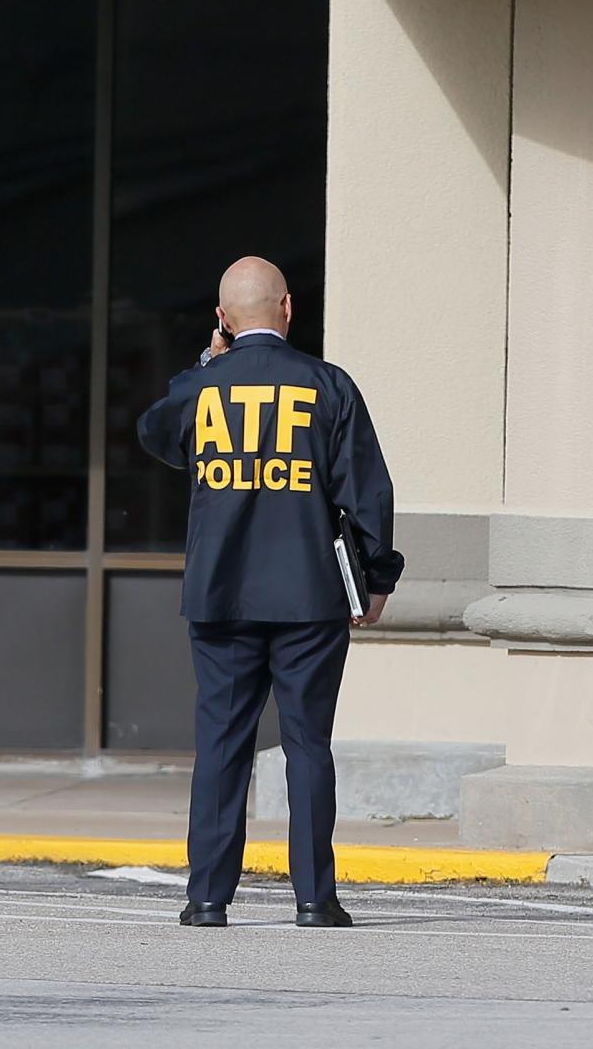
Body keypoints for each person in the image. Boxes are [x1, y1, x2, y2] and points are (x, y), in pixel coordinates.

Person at [138, 256, 404, 928]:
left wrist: (206, 361)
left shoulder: (202, 389)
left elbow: (154, 431)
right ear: (288, 309)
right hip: (309, 596)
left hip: (221, 595)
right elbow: (368, 493)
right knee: (309, 745)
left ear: (224, 319)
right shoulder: (329, 386)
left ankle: (207, 899)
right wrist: (378, 579)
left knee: (222, 744)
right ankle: (315, 899)